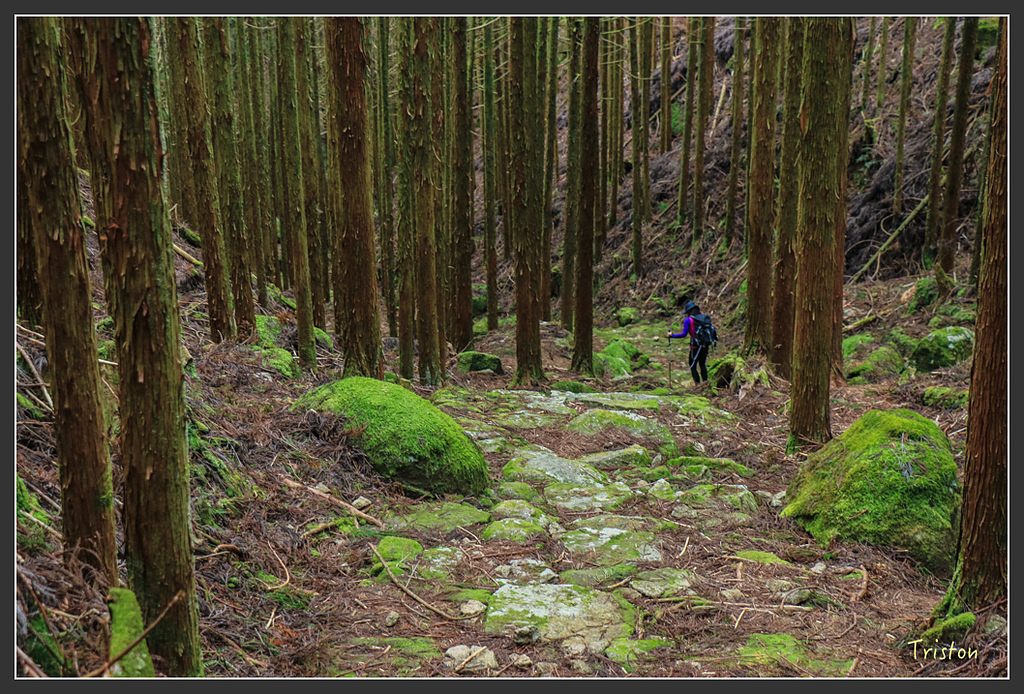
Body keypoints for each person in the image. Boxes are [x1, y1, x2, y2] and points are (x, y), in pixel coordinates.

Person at [667, 301, 709, 385]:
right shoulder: (703, 318)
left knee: (692, 365)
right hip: (705, 345)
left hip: (695, 346)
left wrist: (672, 335)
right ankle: (705, 382)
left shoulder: (688, 320)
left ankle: (698, 384)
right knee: (702, 364)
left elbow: (684, 334)